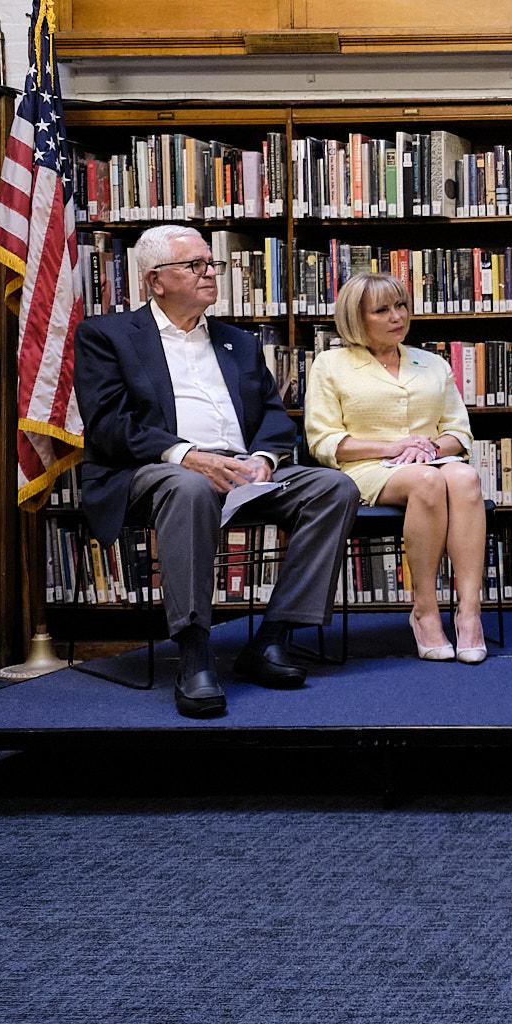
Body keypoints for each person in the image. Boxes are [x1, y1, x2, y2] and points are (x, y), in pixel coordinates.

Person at [75, 225, 360, 719]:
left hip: (241, 468)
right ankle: (194, 652)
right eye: (196, 265)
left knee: (333, 487)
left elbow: (274, 416)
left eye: (212, 264)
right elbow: (108, 425)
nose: (210, 273)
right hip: (154, 470)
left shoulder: (238, 342)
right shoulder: (107, 336)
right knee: (190, 488)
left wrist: (264, 459)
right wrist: (186, 455)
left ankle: (273, 637)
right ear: (155, 280)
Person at [303, 271, 490, 664]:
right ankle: (425, 611)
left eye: (401, 305)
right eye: (382, 310)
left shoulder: (432, 363)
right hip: (366, 467)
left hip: (431, 459)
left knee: (465, 477)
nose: (397, 316)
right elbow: (324, 441)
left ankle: (469, 612)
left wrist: (429, 447)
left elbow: (459, 431)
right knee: (426, 481)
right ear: (356, 317)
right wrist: (395, 447)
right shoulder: (330, 364)